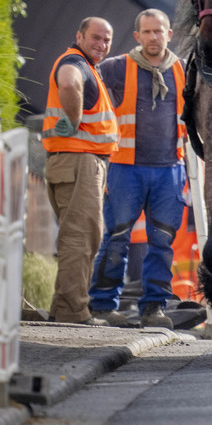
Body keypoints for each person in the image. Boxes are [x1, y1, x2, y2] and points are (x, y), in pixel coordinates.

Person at [88, 9, 188, 329]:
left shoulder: (183, 71)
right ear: (137, 37)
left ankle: (153, 308)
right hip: (125, 168)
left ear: (169, 34)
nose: (153, 37)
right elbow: (86, 81)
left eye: (158, 31)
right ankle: (103, 307)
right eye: (146, 32)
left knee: (163, 242)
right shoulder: (117, 67)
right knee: (116, 237)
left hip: (169, 169)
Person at [42, 17, 119, 325]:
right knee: (80, 237)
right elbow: (69, 81)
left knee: (86, 236)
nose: (101, 44)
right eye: (95, 38)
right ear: (79, 36)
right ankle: (71, 312)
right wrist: (72, 120)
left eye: (106, 39)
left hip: (82, 163)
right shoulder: (75, 62)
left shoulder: (87, 65)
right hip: (78, 161)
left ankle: (68, 307)